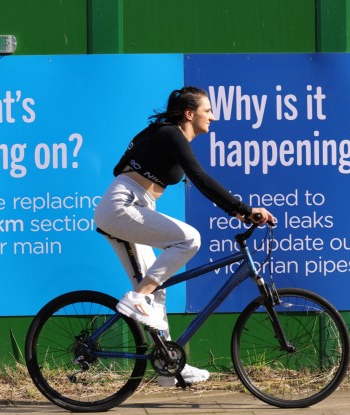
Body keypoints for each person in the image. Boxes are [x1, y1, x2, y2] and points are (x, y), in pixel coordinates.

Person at [93, 86, 275, 386]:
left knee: (159, 287)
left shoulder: (164, 135)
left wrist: (239, 213)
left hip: (132, 204)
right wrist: (242, 209)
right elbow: (200, 178)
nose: (213, 117)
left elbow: (119, 166)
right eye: (208, 111)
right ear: (189, 114)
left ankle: (168, 366)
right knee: (189, 239)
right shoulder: (169, 134)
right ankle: (137, 298)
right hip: (122, 206)